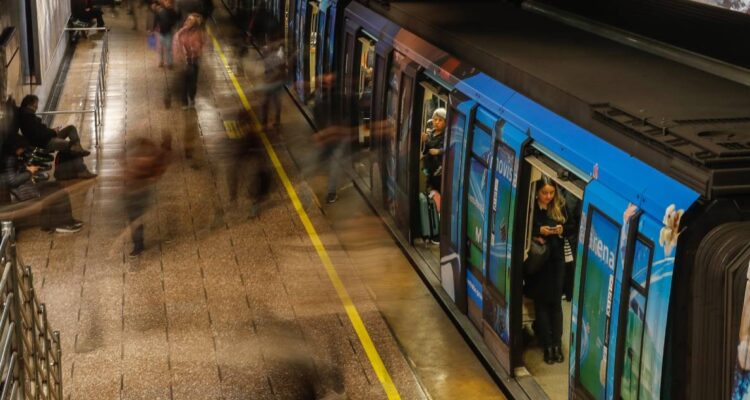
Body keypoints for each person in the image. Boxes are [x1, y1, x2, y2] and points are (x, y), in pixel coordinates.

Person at [1, 134, 83, 233]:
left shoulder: (11, 157)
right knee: (58, 193)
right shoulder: (10, 160)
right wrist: (29, 172)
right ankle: (63, 224)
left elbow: (13, 174)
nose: (23, 150)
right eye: (21, 148)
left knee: (56, 186)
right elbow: (13, 181)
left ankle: (56, 223)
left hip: (26, 188)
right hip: (24, 192)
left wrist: (26, 169)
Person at [526, 175, 568, 364]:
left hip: (556, 261)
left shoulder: (560, 207)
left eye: (551, 193)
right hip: (539, 262)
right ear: (537, 192)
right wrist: (537, 232)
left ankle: (557, 344)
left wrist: (561, 230)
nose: (548, 197)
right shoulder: (531, 208)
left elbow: (571, 227)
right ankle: (547, 345)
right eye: (545, 193)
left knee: (555, 304)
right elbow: (524, 228)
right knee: (542, 304)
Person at [122, 135, 172, 257]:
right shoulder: (140, 159)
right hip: (132, 191)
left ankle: (138, 245)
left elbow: (158, 170)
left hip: (139, 192)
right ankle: (138, 244)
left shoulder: (150, 160)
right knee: (134, 218)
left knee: (135, 218)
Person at [18, 95, 91, 158]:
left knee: (71, 128)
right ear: (29, 105)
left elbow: (40, 131)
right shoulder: (27, 118)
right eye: (35, 104)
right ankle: (78, 159)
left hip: (47, 138)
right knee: (71, 145)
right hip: (46, 143)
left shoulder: (28, 116)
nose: (37, 107)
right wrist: (53, 132)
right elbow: (38, 135)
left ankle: (79, 149)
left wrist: (52, 131)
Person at [174, 13, 206, 109]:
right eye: (187, 19)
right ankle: (184, 102)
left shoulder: (199, 33)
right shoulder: (181, 32)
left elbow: (203, 44)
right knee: (184, 82)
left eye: (190, 20)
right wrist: (179, 54)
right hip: (184, 61)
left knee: (193, 82)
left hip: (194, 61)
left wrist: (197, 49)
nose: (187, 21)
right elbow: (176, 43)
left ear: (195, 24)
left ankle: (192, 97)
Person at [260, 40, 287, 130]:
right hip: (273, 84)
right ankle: (275, 121)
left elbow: (282, 71)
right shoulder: (269, 58)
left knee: (267, 103)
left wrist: (270, 79)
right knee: (275, 103)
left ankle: (267, 122)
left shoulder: (277, 59)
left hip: (273, 84)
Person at [421, 107, 446, 192]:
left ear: (445, 123)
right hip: (429, 168)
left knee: (437, 190)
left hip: (438, 171)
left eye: (440, 120)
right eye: (435, 119)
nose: (437, 122)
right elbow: (426, 149)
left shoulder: (446, 136)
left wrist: (438, 151)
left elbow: (445, 149)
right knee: (428, 188)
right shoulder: (431, 132)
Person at [153, 0, 180, 68]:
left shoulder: (173, 12)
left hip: (168, 32)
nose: (168, 4)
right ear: (164, 3)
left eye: (169, 3)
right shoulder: (160, 11)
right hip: (161, 32)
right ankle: (161, 61)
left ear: (171, 4)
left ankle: (169, 63)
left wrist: (173, 25)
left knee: (168, 48)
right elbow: (156, 20)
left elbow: (177, 19)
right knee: (161, 48)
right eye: (166, 2)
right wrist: (154, 28)